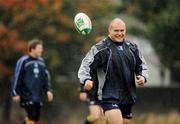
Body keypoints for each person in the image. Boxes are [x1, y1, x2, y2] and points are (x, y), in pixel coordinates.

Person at [78, 18, 148, 124]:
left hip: (127, 95)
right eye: (116, 30)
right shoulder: (101, 48)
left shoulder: (133, 48)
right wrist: (86, 79)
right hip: (108, 95)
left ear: (125, 31)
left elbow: (141, 65)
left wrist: (142, 76)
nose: (119, 33)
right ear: (109, 30)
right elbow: (85, 66)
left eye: (122, 30)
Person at [11, 39, 53, 124]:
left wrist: (48, 90)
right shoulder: (23, 61)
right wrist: (15, 93)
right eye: (39, 48)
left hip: (38, 95)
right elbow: (17, 77)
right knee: (32, 115)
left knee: (35, 118)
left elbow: (46, 78)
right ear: (32, 49)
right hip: (27, 94)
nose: (41, 50)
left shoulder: (41, 62)